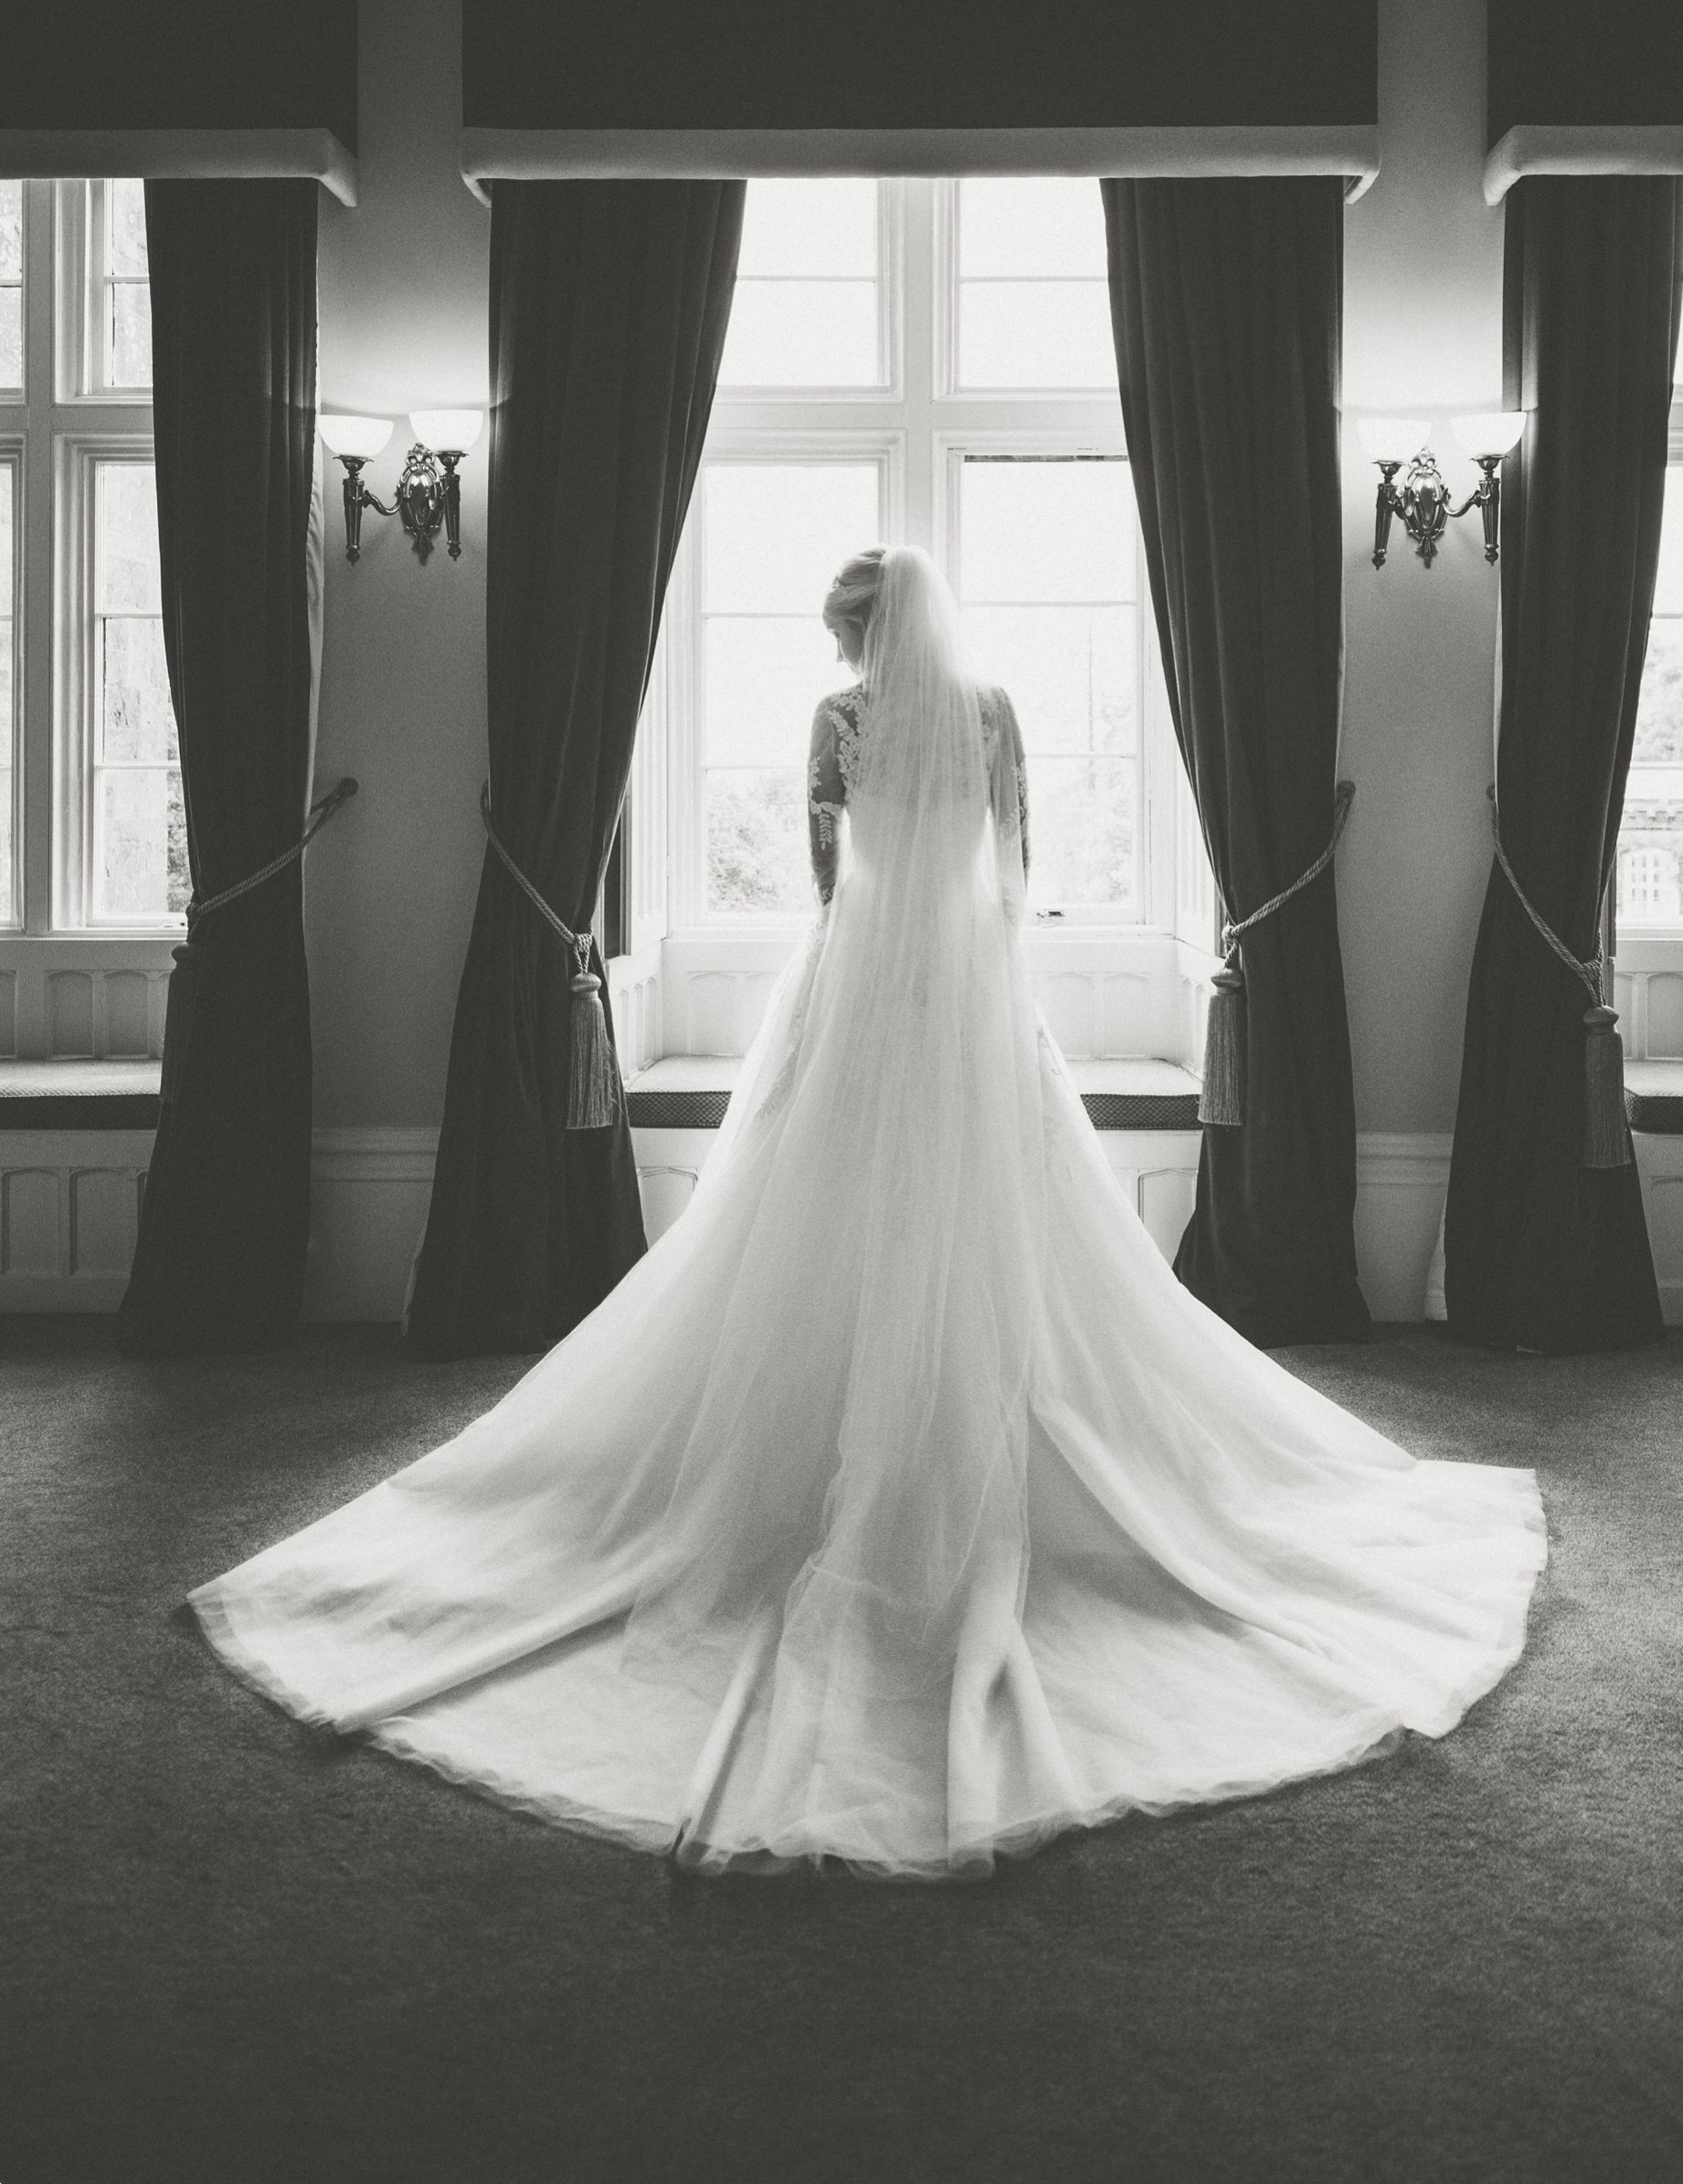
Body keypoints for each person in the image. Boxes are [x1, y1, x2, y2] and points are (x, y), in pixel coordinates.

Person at [192, 545, 1545, 1880]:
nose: (845, 660)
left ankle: (838, 1457)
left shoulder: (839, 721)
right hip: (969, 992)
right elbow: (1018, 860)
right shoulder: (994, 711)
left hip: (865, 993)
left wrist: (880, 946)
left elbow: (826, 881)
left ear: (860, 635)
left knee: (810, 1219)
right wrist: (979, 967)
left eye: (845, 637)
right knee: (992, 1224)